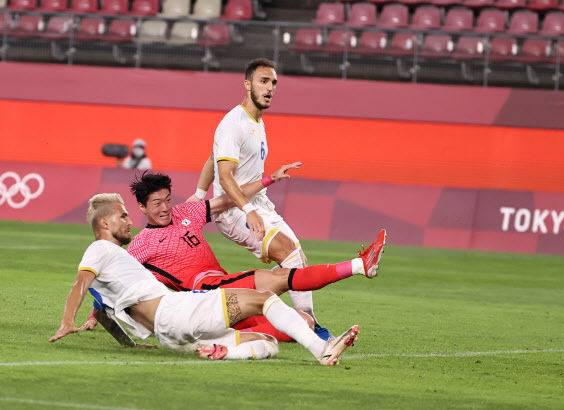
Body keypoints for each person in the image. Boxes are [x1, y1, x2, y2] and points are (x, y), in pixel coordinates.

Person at [49, 193, 361, 365]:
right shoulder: (100, 249)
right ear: (104, 222)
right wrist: (66, 321)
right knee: (264, 298)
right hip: (176, 311)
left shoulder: (114, 263)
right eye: (122, 216)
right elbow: (80, 284)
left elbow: (102, 311)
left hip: (171, 335)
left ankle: (218, 352)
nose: (130, 221)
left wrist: (129, 345)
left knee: (267, 344)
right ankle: (322, 350)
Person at [82, 168, 386, 343]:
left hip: (222, 289)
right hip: (203, 291)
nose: (164, 208)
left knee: (304, 321)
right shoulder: (143, 242)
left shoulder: (187, 212)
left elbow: (228, 199)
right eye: (157, 203)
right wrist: (97, 314)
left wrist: (268, 180)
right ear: (143, 208)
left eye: (167, 200)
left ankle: (218, 341)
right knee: (279, 278)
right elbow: (115, 277)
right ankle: (360, 264)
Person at [193, 58, 325, 337]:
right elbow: (225, 175)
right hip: (234, 210)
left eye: (274, 83)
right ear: (247, 84)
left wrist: (199, 192)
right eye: (263, 81)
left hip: (258, 203)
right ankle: (311, 329)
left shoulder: (257, 121)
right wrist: (242, 208)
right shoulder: (234, 122)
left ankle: (290, 318)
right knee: (288, 254)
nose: (270, 88)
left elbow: (212, 155)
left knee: (298, 257)